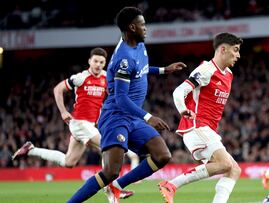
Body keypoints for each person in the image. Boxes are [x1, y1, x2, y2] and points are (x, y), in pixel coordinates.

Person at [66, 7, 186, 203]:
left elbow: (142, 69)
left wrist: (165, 70)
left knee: (162, 155)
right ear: (132, 27)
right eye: (142, 25)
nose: (146, 28)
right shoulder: (124, 57)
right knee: (111, 171)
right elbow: (121, 98)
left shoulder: (138, 45)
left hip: (132, 117)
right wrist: (149, 117)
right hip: (116, 117)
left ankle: (117, 187)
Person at [11, 47, 134, 200]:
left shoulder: (105, 78)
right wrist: (63, 111)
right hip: (79, 123)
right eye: (95, 61)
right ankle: (113, 188)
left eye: (101, 62)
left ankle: (31, 150)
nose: (98, 64)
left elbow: (112, 97)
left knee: (69, 162)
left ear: (104, 63)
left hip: (90, 126)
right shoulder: (80, 78)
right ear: (89, 61)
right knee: (109, 146)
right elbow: (58, 89)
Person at [158, 32, 243, 203]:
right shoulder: (206, 70)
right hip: (196, 126)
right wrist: (182, 110)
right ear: (223, 49)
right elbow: (179, 91)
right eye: (235, 50)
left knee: (234, 170)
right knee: (226, 164)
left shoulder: (228, 74)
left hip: (208, 130)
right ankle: (171, 185)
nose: (238, 55)